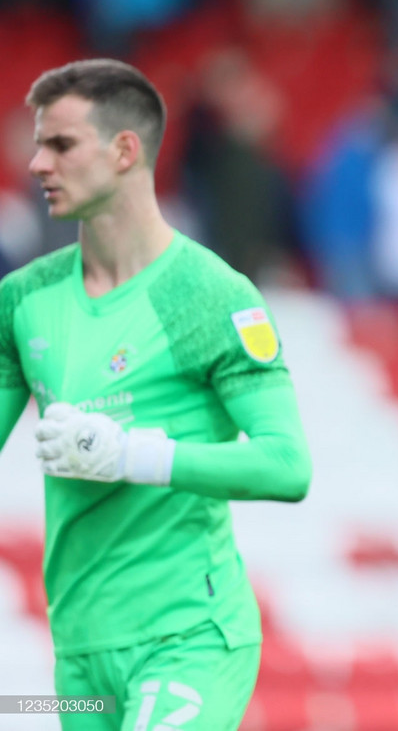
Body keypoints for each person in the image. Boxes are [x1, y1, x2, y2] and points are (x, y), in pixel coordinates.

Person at [0, 59, 311, 730]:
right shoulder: (23, 301)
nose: (36, 164)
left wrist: (131, 455)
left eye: (59, 144)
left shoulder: (210, 294)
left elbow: (288, 466)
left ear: (123, 151)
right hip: (80, 652)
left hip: (189, 636)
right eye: (37, 144)